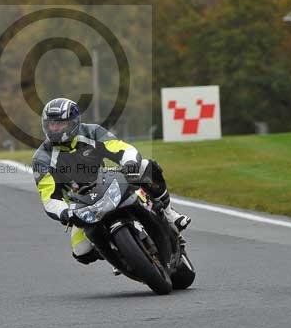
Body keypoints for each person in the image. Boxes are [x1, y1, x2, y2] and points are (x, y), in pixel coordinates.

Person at [32, 97, 191, 266]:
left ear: (73, 122)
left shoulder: (91, 132)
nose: (55, 128)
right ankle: (117, 253)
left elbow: (120, 147)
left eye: (60, 124)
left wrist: (129, 163)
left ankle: (169, 213)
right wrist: (65, 213)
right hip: (80, 206)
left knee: (146, 167)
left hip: (107, 182)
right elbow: (49, 197)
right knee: (81, 252)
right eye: (51, 124)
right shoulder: (42, 158)